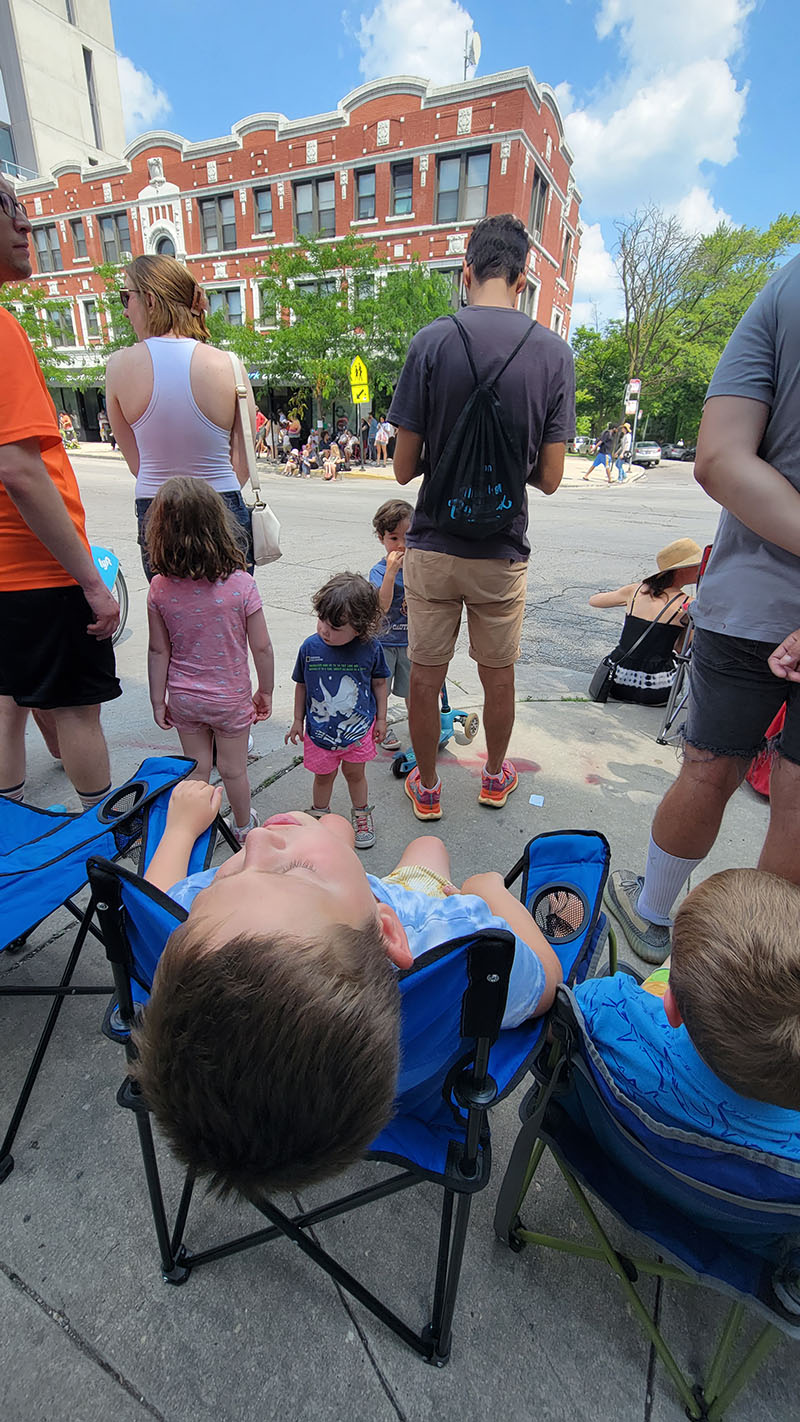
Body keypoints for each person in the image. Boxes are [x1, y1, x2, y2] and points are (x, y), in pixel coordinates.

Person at [131, 781, 563, 1200]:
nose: (257, 839)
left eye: (225, 879)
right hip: (420, 902)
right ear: (386, 931)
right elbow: (548, 978)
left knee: (333, 827)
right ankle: (341, 848)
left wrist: (180, 830)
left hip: (356, 921)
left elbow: (156, 903)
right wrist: (487, 890)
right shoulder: (460, 933)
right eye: (297, 872)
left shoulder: (205, 927)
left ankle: (326, 848)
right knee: (428, 849)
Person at [606, 254, 800, 963]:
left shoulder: (788, 286)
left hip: (754, 597)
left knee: (707, 769)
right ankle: (759, 982)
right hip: (752, 604)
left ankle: (652, 916)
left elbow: (719, 460)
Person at [388, 212, 574, 822]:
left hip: (435, 547)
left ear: (466, 270)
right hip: (501, 550)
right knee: (498, 674)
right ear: (523, 278)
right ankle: (494, 776)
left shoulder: (431, 341)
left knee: (423, 674)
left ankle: (430, 787)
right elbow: (548, 479)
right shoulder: (553, 355)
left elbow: (402, 468)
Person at [0, 173, 120, 810]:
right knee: (78, 712)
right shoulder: (0, 329)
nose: (25, 224)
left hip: (4, 577)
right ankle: (104, 850)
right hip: (37, 572)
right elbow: (19, 470)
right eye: (7, 207)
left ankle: (14, 850)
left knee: (8, 702)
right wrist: (90, 581)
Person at [575, 869, 800, 1155]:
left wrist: (677, 972)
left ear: (672, 1008)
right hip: (706, 1197)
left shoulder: (606, 1008)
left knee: (629, 978)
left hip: (614, 1157)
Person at [104, 254, 258, 580]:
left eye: (125, 296)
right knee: (231, 620)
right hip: (223, 504)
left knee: (170, 622)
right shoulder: (229, 364)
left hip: (158, 508)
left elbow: (138, 463)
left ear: (149, 299)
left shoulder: (119, 367)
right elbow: (244, 455)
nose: (124, 309)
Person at [145, 477, 274, 844]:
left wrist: (159, 700)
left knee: (197, 769)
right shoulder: (241, 584)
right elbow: (262, 647)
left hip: (184, 698)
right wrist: (265, 691)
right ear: (219, 526)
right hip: (230, 697)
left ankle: (199, 825)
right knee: (234, 769)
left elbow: (159, 650)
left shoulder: (159, 588)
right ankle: (244, 827)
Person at [285, 572, 389, 849]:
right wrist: (297, 720)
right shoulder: (310, 647)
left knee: (356, 775)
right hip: (320, 734)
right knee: (323, 776)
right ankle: (320, 814)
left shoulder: (370, 648)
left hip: (357, 732)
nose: (325, 630)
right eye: (321, 620)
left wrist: (381, 719)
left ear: (361, 627)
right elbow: (301, 685)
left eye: (335, 626)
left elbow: (379, 683)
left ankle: (362, 814)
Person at [588, 539, 702, 705]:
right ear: (682, 570)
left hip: (616, 680)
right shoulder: (686, 605)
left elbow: (594, 601)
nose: (701, 569)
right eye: (697, 564)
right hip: (655, 689)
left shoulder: (635, 591)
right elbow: (681, 648)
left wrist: (631, 602)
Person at [369, 499, 414, 752]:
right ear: (381, 538)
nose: (402, 546)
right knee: (380, 692)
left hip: (410, 643)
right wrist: (390, 573)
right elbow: (381, 607)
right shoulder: (378, 571)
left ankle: (419, 726)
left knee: (414, 694)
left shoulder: (419, 567)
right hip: (384, 644)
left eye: (408, 538)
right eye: (394, 538)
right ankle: (380, 726)